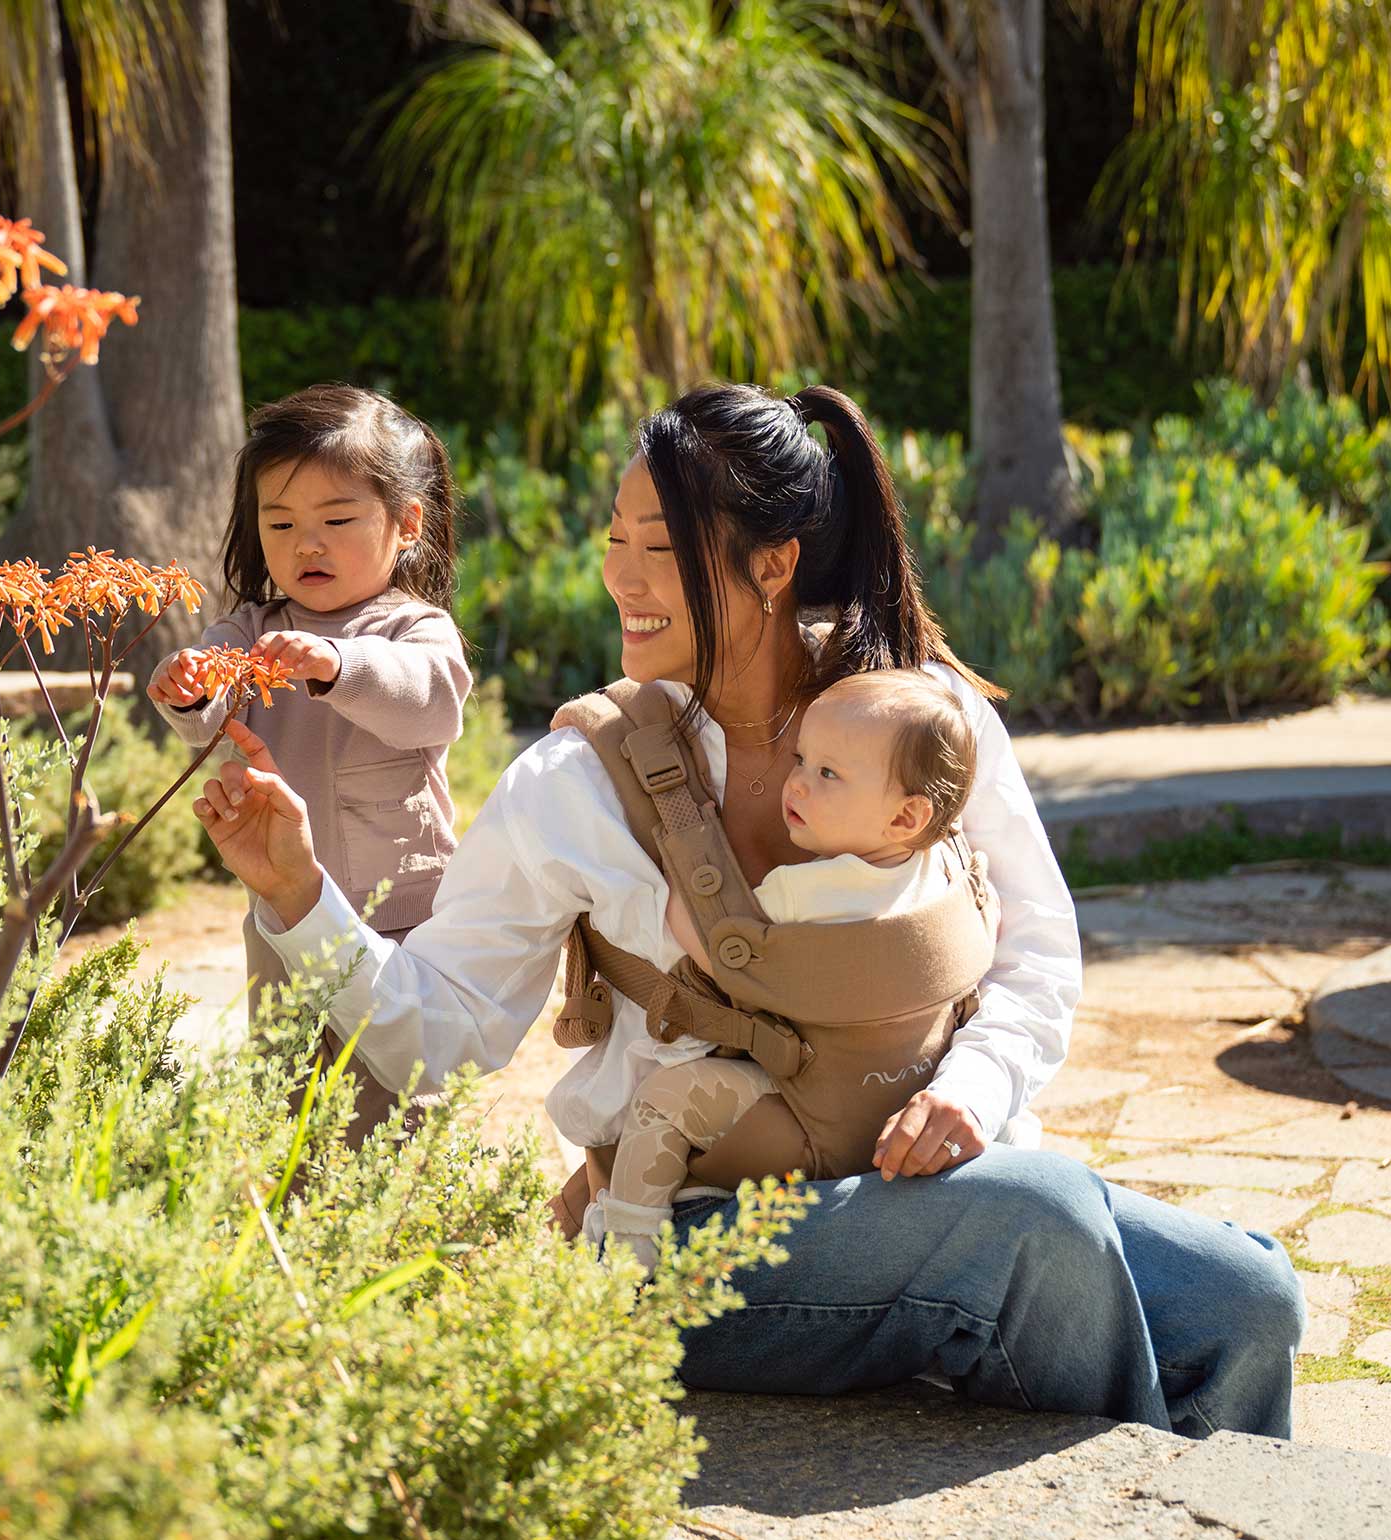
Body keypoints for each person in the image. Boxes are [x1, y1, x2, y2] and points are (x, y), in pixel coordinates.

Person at [191, 382, 1304, 1438]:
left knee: (1252, 1298)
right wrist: (297, 891)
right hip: (690, 1230)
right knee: (1039, 1222)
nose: (623, 575)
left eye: (663, 548)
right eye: (616, 539)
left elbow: (1038, 950)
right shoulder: (577, 783)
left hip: (939, 1183)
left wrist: (972, 1089)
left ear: (774, 563)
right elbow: (437, 1034)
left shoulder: (930, 718)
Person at [148, 382, 471, 1143]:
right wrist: (188, 688)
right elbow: (206, 711)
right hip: (281, 912)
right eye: (281, 522)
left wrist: (338, 663)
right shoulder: (253, 627)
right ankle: (296, 1227)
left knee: (388, 1090)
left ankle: (392, 1229)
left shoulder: (413, 627)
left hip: (394, 916)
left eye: (335, 519)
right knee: (286, 1090)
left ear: (406, 525)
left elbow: (430, 702)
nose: (307, 543)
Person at [593, 668, 991, 1277]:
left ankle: (627, 1246)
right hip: (911, 1110)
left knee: (664, 1102)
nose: (795, 783)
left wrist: (679, 875)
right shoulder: (947, 871)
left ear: (907, 817)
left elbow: (709, 938)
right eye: (801, 759)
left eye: (827, 773)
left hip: (808, 1125)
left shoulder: (798, 895)